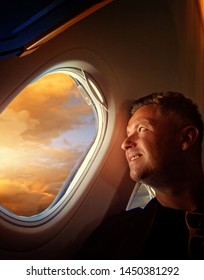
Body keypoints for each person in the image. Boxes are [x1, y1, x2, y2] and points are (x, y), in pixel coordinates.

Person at [75, 91, 204, 259]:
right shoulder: (116, 234)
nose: (125, 144)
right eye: (128, 134)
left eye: (142, 129)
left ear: (186, 138)